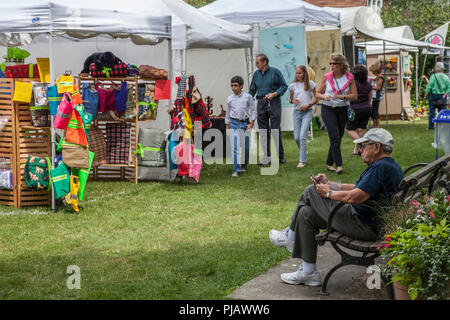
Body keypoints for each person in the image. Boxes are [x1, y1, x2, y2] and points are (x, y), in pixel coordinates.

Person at [268, 128, 403, 286]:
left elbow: (354, 197)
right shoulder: (387, 165)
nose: (360, 151)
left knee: (311, 191)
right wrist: (330, 184)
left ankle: (290, 236)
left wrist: (328, 193)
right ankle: (308, 272)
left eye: (364, 146)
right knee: (306, 214)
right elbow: (358, 188)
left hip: (365, 226)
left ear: (377, 147)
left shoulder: (380, 168)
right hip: (369, 221)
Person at [315, 53, 357, 174]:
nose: (332, 66)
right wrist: (324, 96)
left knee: (338, 138)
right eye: (331, 63)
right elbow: (317, 93)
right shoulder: (327, 77)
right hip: (328, 109)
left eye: (334, 63)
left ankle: (329, 163)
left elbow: (354, 96)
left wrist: (342, 96)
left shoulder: (349, 77)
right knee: (334, 136)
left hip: (342, 109)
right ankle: (339, 165)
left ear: (341, 65)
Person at [249, 53, 288, 165]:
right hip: (261, 103)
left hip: (274, 102)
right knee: (263, 131)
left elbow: (284, 86)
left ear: (264, 62)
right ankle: (267, 157)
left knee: (275, 130)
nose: (256, 65)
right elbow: (252, 90)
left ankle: (280, 156)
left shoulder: (275, 72)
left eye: (257, 62)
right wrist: (246, 99)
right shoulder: (256, 74)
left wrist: (275, 94)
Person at [225, 76, 256, 177]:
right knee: (235, 147)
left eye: (236, 85)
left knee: (245, 147)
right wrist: (227, 126)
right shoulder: (229, 98)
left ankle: (244, 164)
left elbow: (253, 110)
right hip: (233, 123)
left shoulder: (248, 97)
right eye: (232, 85)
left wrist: (251, 123)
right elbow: (228, 113)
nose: (233, 88)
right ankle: (236, 169)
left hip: (245, 124)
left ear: (241, 86)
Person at [289, 65, 318, 168]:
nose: (299, 75)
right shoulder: (293, 85)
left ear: (305, 74)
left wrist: (308, 105)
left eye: (300, 73)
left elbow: (316, 98)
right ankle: (303, 151)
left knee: (302, 136)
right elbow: (290, 99)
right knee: (296, 137)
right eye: (297, 73)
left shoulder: (310, 84)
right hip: (297, 112)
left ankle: (302, 161)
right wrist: (293, 100)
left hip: (307, 111)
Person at [346, 64, 373, 155]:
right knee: (361, 130)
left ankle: (364, 144)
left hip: (356, 109)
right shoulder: (368, 84)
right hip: (367, 108)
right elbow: (370, 98)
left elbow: (350, 96)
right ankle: (357, 150)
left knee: (349, 129)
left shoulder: (353, 84)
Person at [424, 62, 450, 130]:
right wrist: (445, 95)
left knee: (432, 112)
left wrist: (425, 95)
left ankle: (431, 127)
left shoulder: (433, 76)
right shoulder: (446, 77)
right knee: (442, 112)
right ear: (442, 68)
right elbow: (449, 87)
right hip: (442, 96)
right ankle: (442, 127)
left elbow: (429, 87)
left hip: (433, 96)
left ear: (436, 68)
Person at [369, 63, 385, 128]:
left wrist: (369, 87)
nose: (372, 73)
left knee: (375, 111)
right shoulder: (378, 77)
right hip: (375, 96)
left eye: (373, 72)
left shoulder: (380, 78)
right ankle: (374, 125)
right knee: (373, 111)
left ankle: (377, 125)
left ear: (376, 71)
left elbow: (378, 88)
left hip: (377, 96)